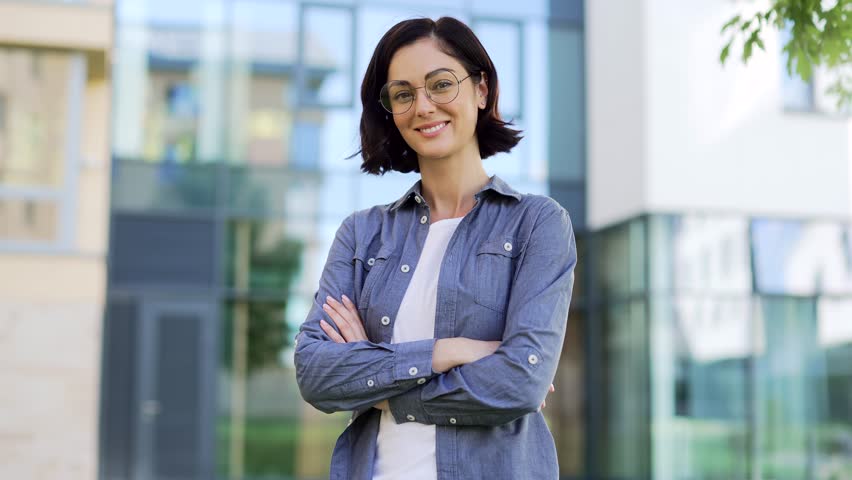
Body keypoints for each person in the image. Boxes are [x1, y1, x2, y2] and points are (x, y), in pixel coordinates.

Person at [294, 16, 577, 480]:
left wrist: (377, 382)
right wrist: (448, 351)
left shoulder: (537, 223)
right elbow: (316, 373)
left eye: (440, 85)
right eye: (403, 94)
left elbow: (520, 382)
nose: (423, 106)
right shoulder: (363, 235)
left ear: (481, 90)